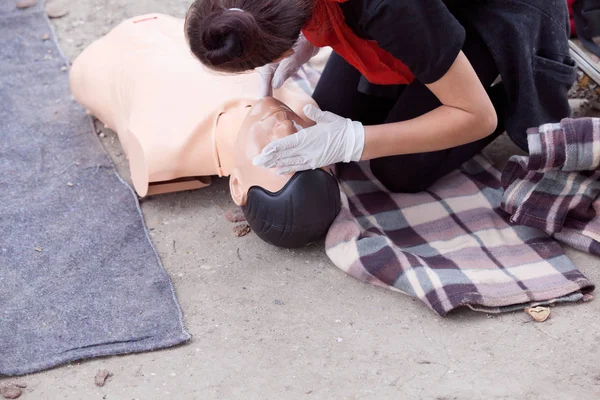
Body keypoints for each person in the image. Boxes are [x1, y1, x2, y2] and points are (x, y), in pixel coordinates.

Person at [184, 0, 577, 193]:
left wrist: (354, 140)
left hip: (491, 12)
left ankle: (509, 87)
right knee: (333, 111)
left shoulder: (388, 8)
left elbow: (476, 118)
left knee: (400, 169)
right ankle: (435, 73)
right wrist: (308, 38)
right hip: (421, 14)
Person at [70, 13, 340, 248]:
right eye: (303, 143)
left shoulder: (162, 149)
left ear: (237, 185)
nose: (285, 127)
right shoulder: (304, 110)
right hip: (182, 25)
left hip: (109, 52)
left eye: (280, 155)